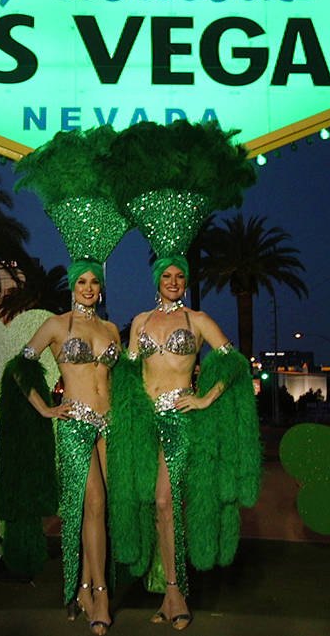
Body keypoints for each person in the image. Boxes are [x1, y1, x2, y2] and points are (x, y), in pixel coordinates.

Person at [109, 255, 260, 631]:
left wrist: (206, 398)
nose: (173, 281)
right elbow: (130, 372)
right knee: (152, 505)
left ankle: (176, 591)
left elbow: (234, 363)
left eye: (179, 276)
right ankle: (164, 591)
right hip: (144, 424)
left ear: (186, 281)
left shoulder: (198, 320)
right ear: (156, 279)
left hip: (179, 419)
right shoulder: (142, 322)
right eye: (167, 275)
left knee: (165, 499)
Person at [0, 259, 120, 635]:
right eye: (81, 281)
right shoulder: (55, 325)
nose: (87, 288)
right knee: (93, 504)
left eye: (94, 282)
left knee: (99, 511)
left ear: (101, 287)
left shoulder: (112, 328)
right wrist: (46, 408)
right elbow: (20, 367)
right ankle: (101, 595)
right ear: (72, 285)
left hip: (110, 426)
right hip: (76, 424)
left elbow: (124, 378)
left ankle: (83, 589)